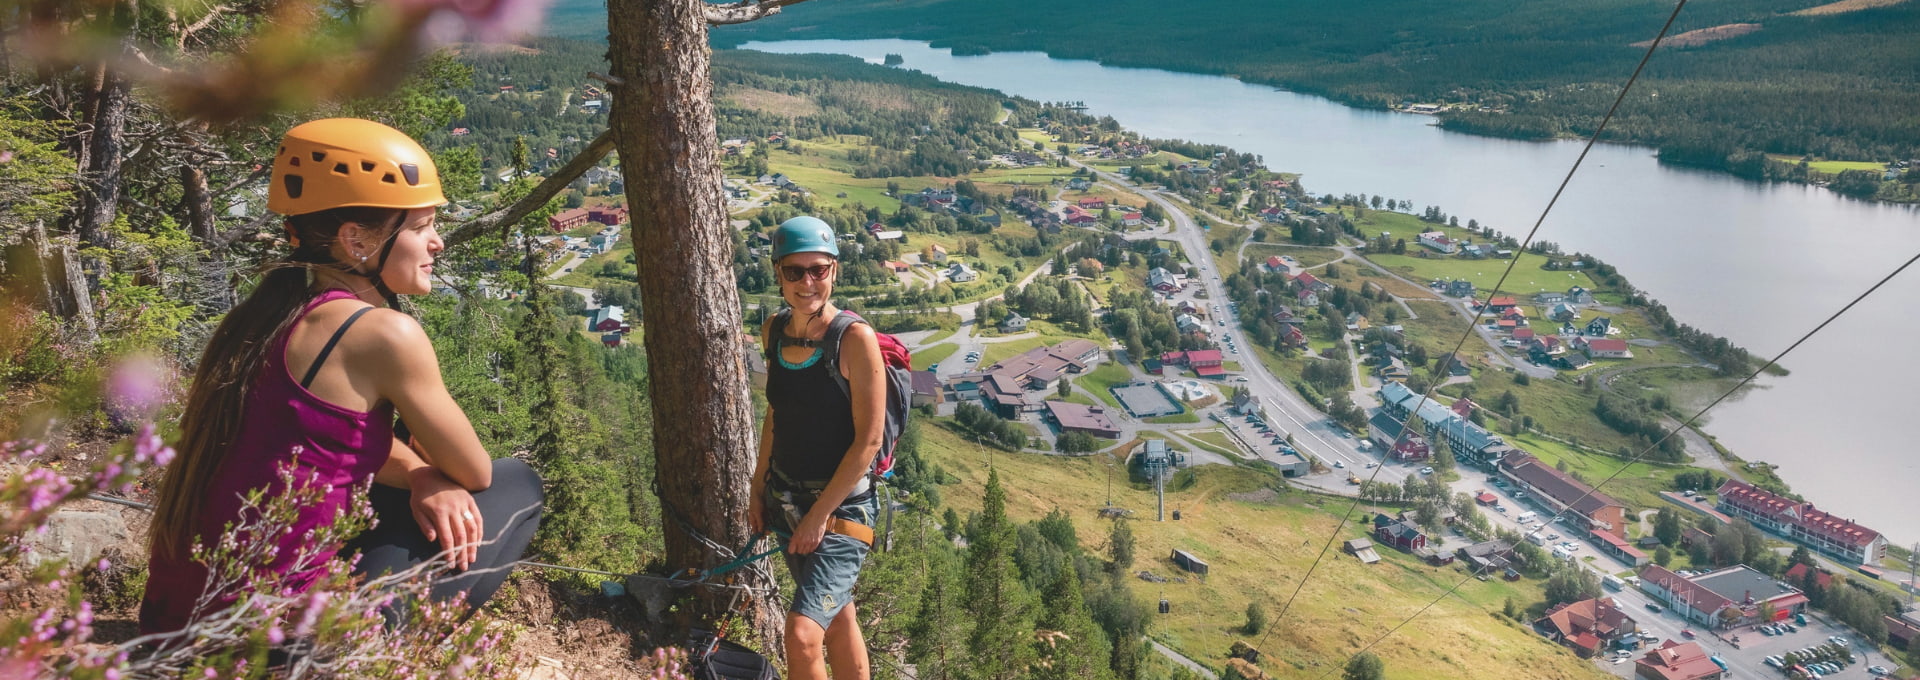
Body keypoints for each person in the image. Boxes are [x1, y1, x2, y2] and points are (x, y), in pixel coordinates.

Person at [141, 118, 543, 637]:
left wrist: (420, 476)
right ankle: (382, 653)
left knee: (402, 486)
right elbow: (474, 473)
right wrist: (432, 470)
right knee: (516, 482)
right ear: (355, 239)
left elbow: (313, 443)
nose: (437, 242)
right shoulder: (383, 334)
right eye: (420, 227)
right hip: (285, 648)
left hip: (179, 622)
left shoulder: (263, 315)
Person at [751, 215, 884, 680]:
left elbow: (868, 441)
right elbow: (776, 414)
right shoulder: (774, 331)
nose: (808, 282)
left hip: (843, 509)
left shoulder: (854, 340)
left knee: (803, 634)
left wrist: (818, 516)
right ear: (778, 273)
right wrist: (757, 487)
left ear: (835, 271)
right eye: (795, 271)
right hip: (785, 497)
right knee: (837, 614)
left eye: (818, 270)